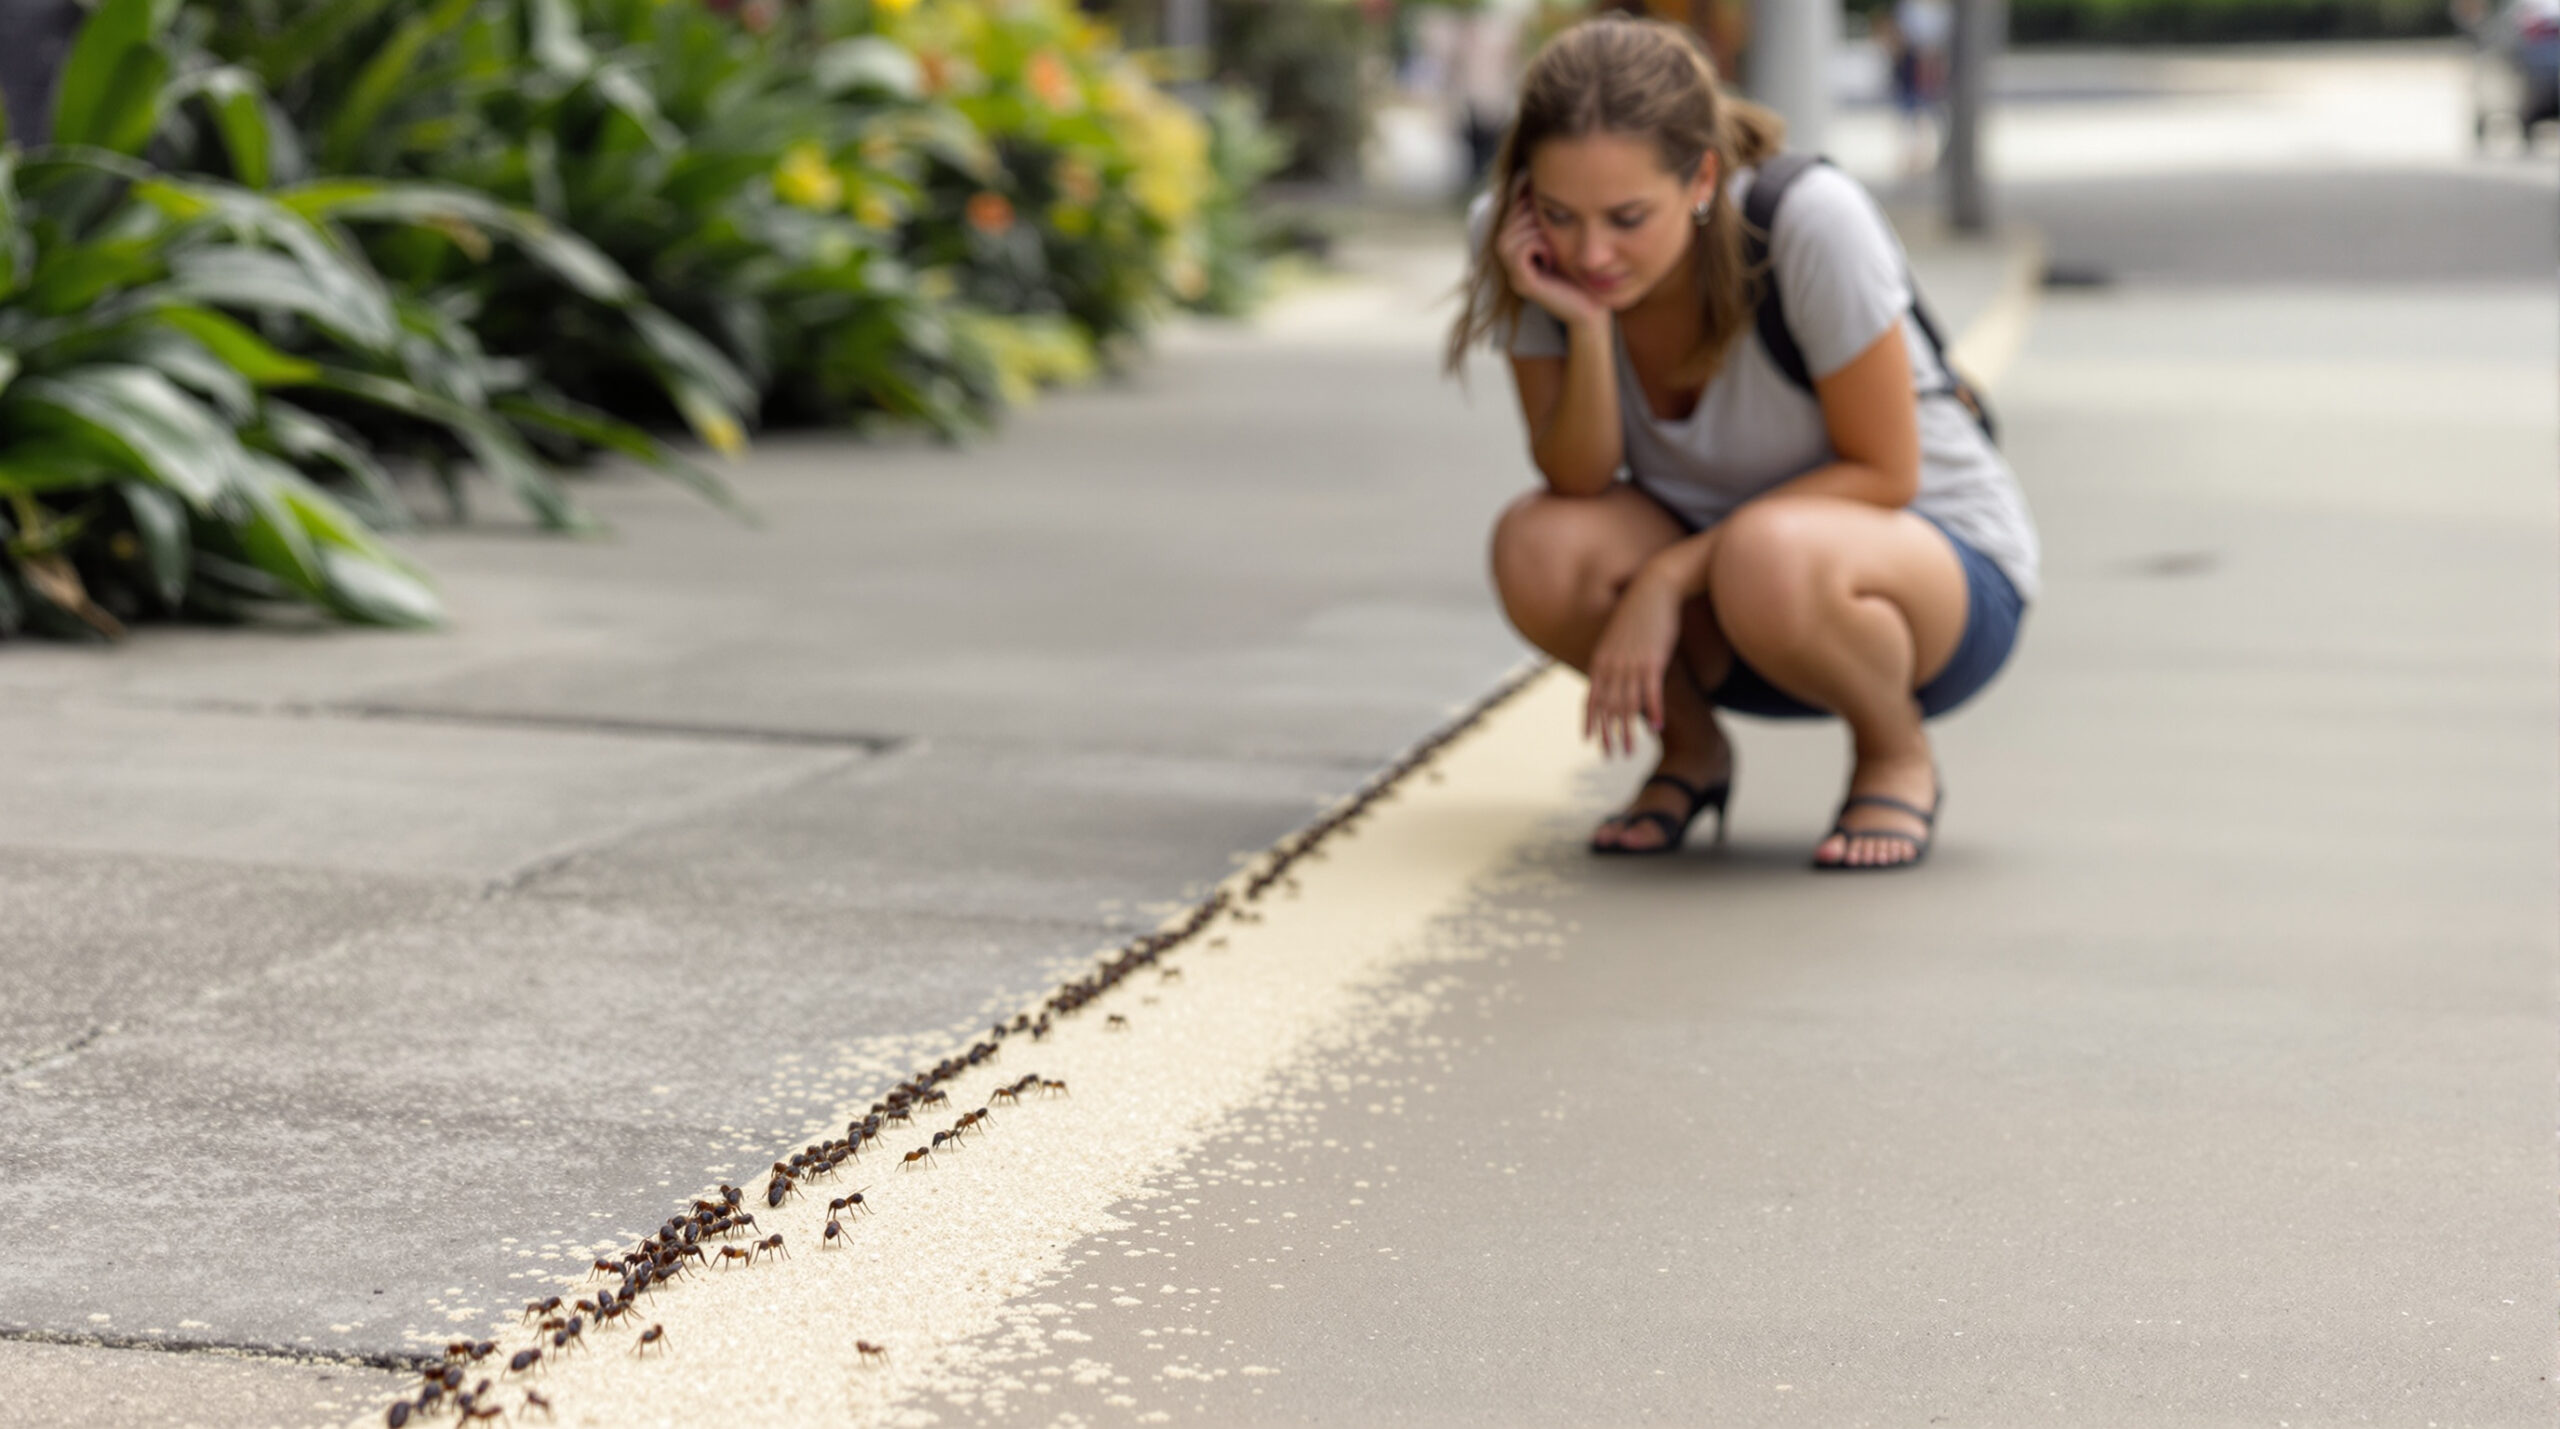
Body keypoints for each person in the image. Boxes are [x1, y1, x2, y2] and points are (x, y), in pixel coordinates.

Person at [1445, 15, 2038, 871]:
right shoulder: (1518, 245)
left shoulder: (1806, 221)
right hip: (1738, 614)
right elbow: (1576, 477)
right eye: (1561, 213)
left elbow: (1886, 471)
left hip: (1928, 589)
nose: (1590, 251)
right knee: (1537, 544)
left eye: (1627, 217)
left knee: (1768, 552)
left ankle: (1893, 751)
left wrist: (1670, 575)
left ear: (1702, 179)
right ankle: (1691, 751)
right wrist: (1581, 325)